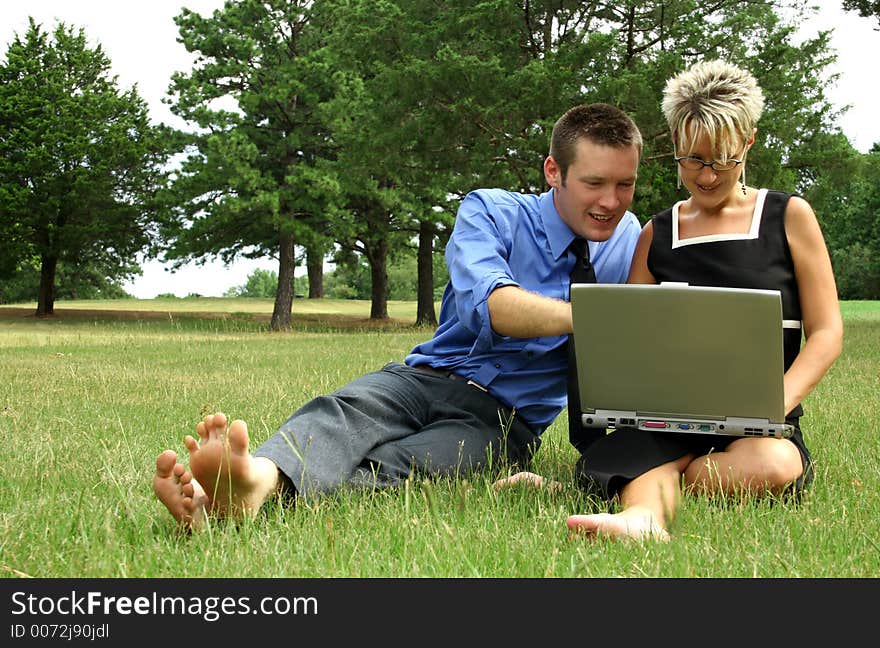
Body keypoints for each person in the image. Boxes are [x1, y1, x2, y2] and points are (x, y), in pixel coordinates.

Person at [152, 102, 644, 530]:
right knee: (342, 413)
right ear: (553, 171)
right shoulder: (492, 212)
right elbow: (492, 305)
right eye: (594, 183)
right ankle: (257, 476)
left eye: (626, 185)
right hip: (424, 378)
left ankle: (247, 499)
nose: (611, 202)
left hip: (502, 423)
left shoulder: (630, 240)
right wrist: (591, 315)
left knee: (415, 465)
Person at [530, 60, 841, 542]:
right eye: (692, 159)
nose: (708, 175)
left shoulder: (788, 216)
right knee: (654, 446)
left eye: (723, 159)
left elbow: (826, 332)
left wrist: (773, 406)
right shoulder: (657, 233)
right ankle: (641, 518)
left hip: (759, 427)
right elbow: (628, 339)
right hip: (668, 419)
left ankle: (623, 482)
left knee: (775, 466)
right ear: (675, 147)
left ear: (749, 143)